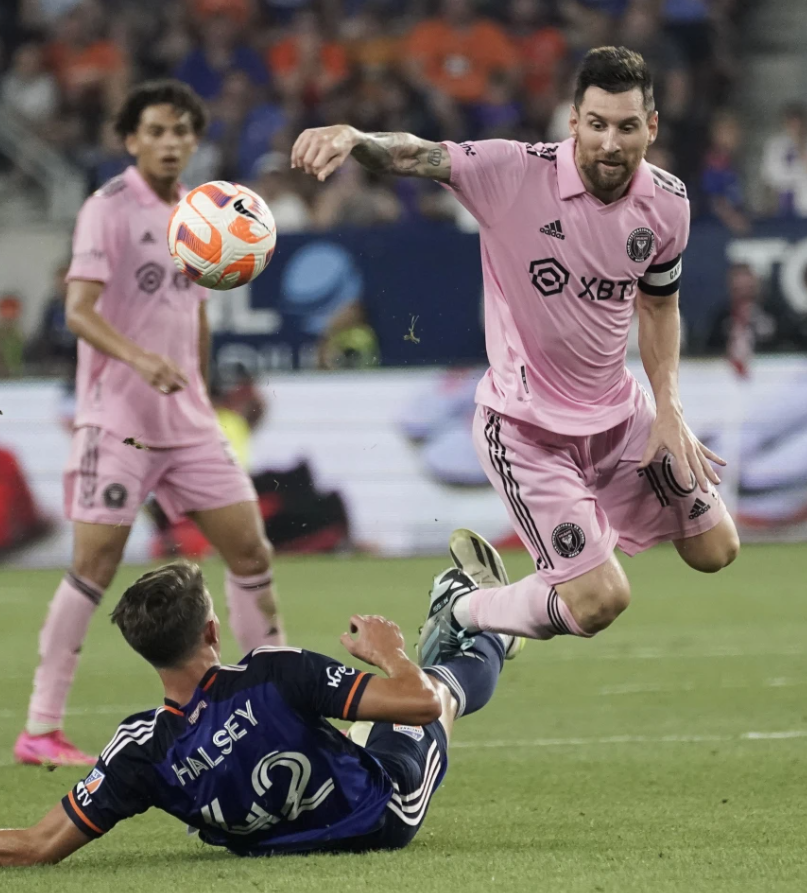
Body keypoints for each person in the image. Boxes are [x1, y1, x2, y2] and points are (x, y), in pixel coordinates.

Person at [291, 46, 739, 653]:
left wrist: (668, 406)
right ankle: (465, 607)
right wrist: (355, 136)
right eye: (598, 124)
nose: (612, 143)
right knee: (601, 600)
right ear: (573, 122)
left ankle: (553, 554)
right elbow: (417, 155)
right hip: (528, 428)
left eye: (628, 127)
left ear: (651, 128)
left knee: (717, 551)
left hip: (621, 416)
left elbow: (659, 305)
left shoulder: (668, 203)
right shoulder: (512, 172)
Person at [0, 558, 520, 865]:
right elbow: (417, 702)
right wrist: (389, 653)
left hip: (279, 840)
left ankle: (457, 626)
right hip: (379, 815)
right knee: (439, 692)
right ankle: (481, 618)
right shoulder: (277, 671)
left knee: (363, 721)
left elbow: (36, 844)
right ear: (210, 633)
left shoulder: (139, 751)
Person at [15, 80, 286, 768]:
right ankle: (41, 728)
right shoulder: (106, 208)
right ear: (131, 139)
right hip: (118, 418)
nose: (171, 143)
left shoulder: (202, 213)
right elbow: (77, 309)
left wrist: (198, 388)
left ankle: (276, 699)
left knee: (251, 553)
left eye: (182, 132)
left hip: (187, 419)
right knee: (94, 564)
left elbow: (192, 312)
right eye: (157, 131)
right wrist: (141, 361)